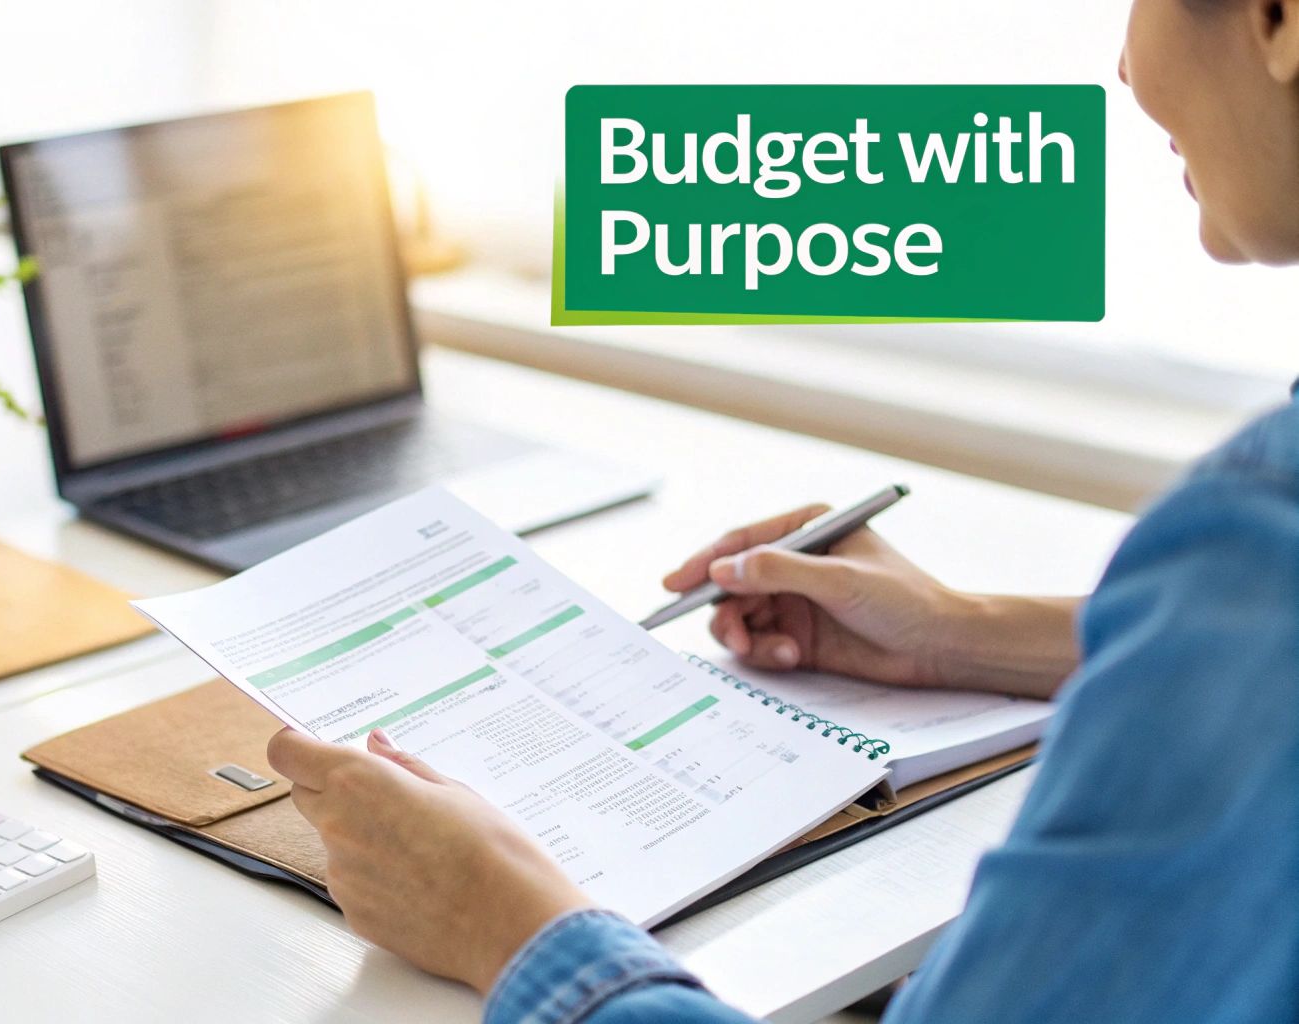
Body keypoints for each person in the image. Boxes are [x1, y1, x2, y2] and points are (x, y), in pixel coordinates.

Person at [265, 0, 1299, 1020]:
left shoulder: (1259, 533)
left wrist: (504, 922)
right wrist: (970, 636)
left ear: (1274, 18)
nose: (1120, 67)